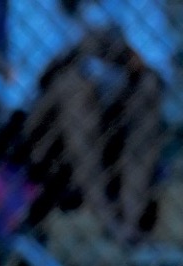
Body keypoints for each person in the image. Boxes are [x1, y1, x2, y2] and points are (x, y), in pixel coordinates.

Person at [10, 0, 172, 251]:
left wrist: (120, 52)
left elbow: (156, 62)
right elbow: (32, 77)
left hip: (114, 108)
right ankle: (105, 216)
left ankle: (132, 214)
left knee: (148, 88)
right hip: (44, 123)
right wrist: (82, 48)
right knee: (75, 88)